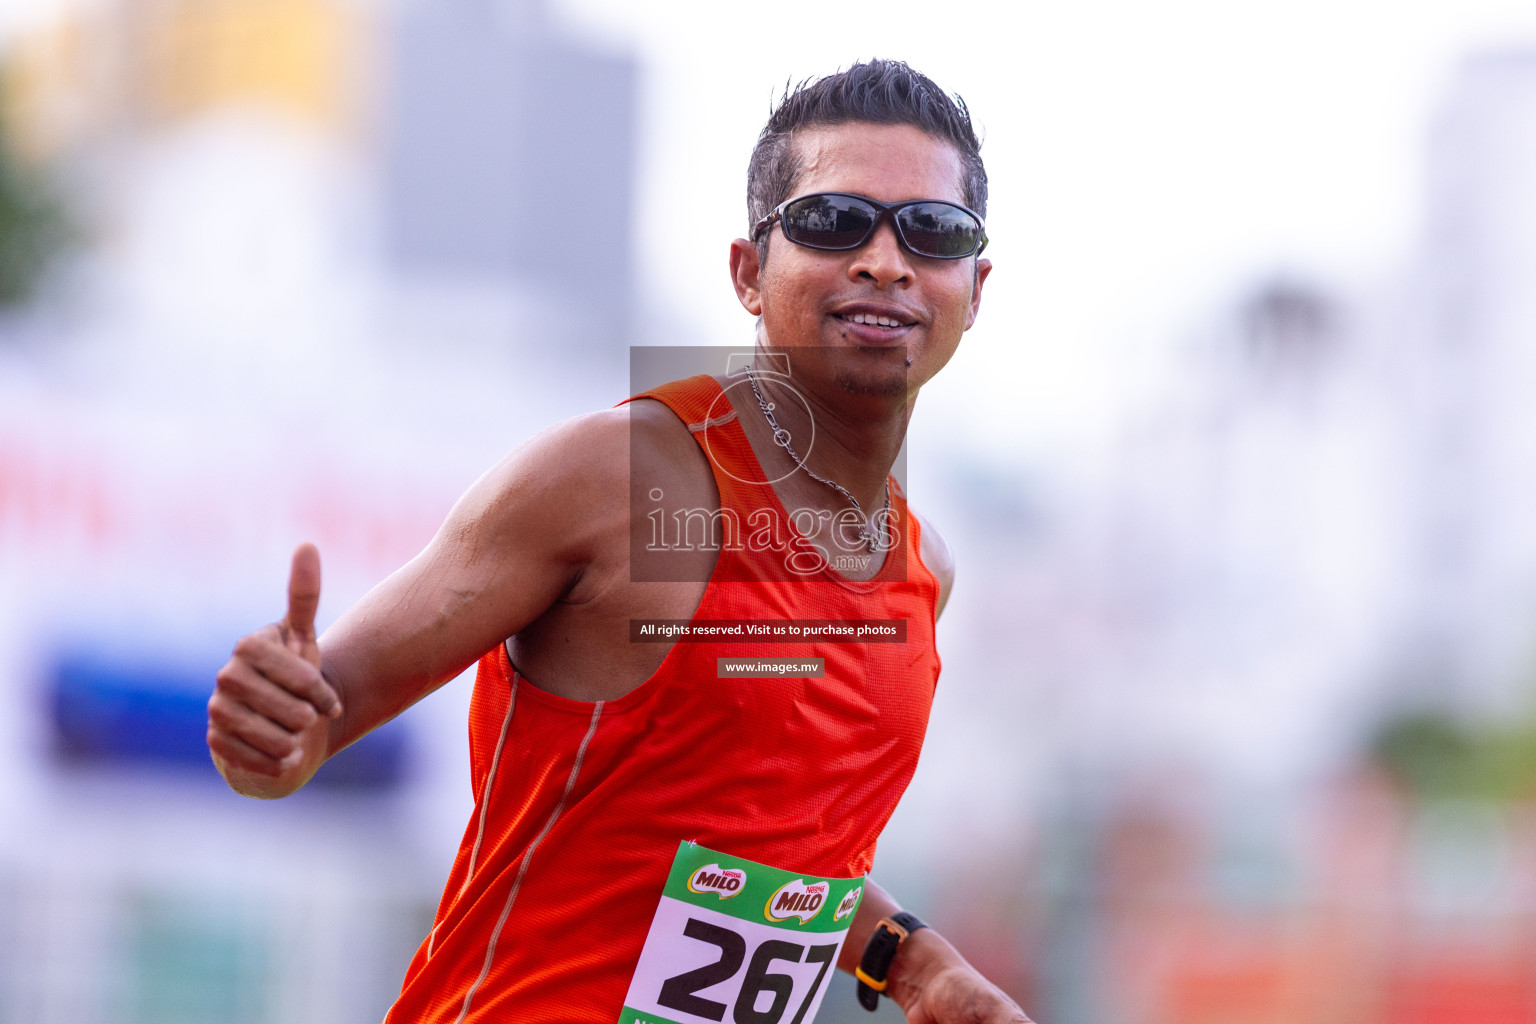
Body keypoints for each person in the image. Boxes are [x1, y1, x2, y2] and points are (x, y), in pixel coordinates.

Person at [207, 59, 1032, 1024]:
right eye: (832, 220)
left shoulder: (923, 571)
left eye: (930, 232)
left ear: (973, 288)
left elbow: (775, 854)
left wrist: (917, 962)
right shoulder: (619, 481)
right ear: (747, 274)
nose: (885, 260)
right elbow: (318, 715)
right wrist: (279, 726)